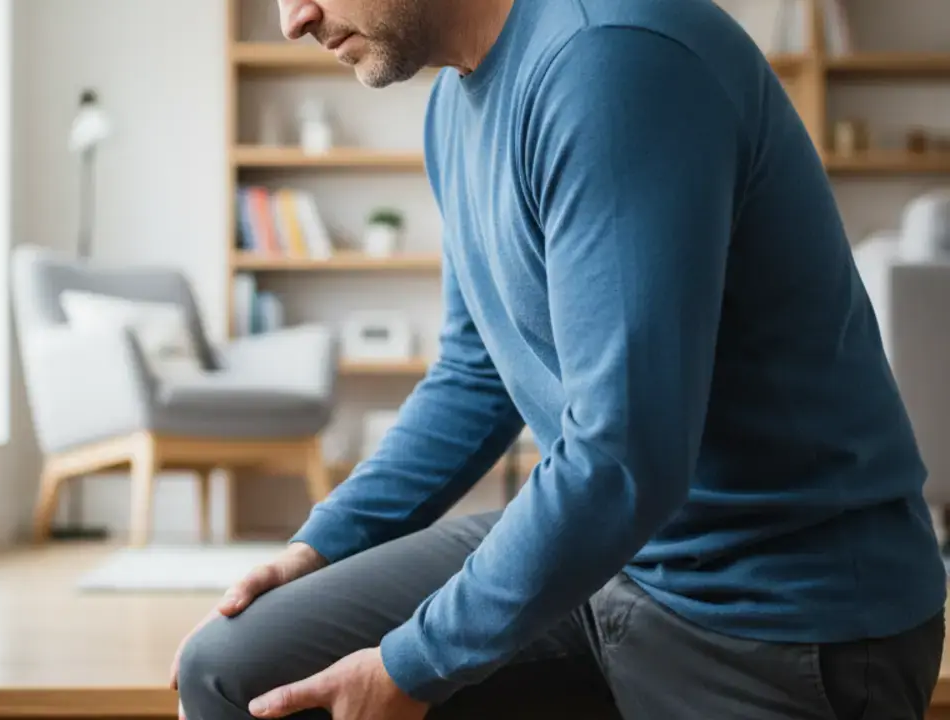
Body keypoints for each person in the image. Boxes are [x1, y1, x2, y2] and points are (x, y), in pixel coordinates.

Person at [171, 0, 948, 717]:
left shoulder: (610, 62)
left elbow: (622, 455)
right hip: (615, 559)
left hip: (777, 620)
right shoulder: (453, 107)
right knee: (233, 669)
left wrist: (414, 664)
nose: (293, 18)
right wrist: (323, 543)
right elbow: (474, 373)